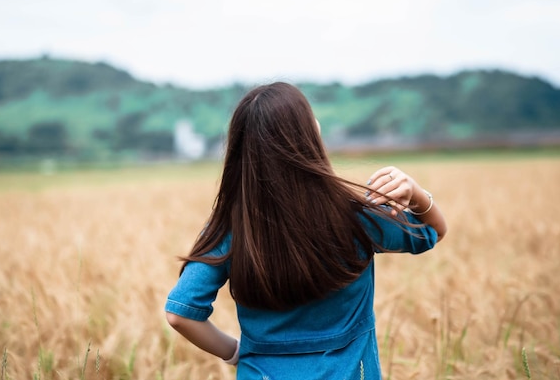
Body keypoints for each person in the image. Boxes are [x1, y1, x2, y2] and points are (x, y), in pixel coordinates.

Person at [165, 82, 447, 379]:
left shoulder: (232, 227)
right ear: (309, 133)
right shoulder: (358, 215)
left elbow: (180, 313)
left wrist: (236, 353)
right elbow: (433, 231)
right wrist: (415, 192)